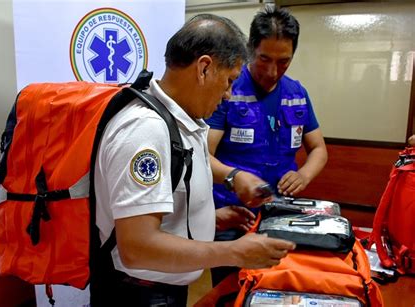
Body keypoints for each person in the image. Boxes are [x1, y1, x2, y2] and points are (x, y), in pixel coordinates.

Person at [89, 14, 296, 307]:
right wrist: (234, 252)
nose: (227, 95)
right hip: (140, 295)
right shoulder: (146, 131)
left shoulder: (181, 117)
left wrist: (211, 215)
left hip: (164, 286)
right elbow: (137, 247)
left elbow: (183, 167)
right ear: (204, 68)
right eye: (229, 81)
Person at [206, 6, 328, 286]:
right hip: (234, 218)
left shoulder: (297, 93)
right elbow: (203, 155)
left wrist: (303, 175)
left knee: (276, 289)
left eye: (284, 61)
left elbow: (319, 150)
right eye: (264, 59)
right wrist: (235, 177)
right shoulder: (228, 89)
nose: (273, 71)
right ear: (250, 49)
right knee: (232, 292)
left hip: (281, 215)